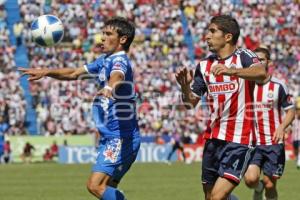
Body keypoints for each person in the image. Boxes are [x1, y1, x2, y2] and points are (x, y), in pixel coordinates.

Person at [19, 17, 140, 200]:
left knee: (95, 186)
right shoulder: (104, 60)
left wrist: (109, 87)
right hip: (114, 137)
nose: (102, 38)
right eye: (103, 33)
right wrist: (46, 72)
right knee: (107, 189)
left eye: (108, 34)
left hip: (120, 139)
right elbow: (74, 73)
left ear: (122, 39)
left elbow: (117, 76)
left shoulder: (119, 61)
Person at [175, 15, 267, 200]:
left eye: (212, 31)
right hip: (213, 138)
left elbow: (261, 73)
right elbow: (189, 104)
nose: (207, 36)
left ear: (228, 36)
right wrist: (185, 87)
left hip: (239, 139)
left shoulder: (244, 56)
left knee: (217, 197)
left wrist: (231, 71)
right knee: (210, 197)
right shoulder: (204, 65)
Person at [243, 47, 295, 200]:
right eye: (255, 59)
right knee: (250, 180)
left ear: (269, 62)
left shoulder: (279, 86)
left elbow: (290, 111)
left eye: (262, 59)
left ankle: (264, 188)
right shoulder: (246, 85)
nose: (258, 62)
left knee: (270, 184)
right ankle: (258, 189)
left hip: (274, 142)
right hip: (253, 143)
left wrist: (282, 126)